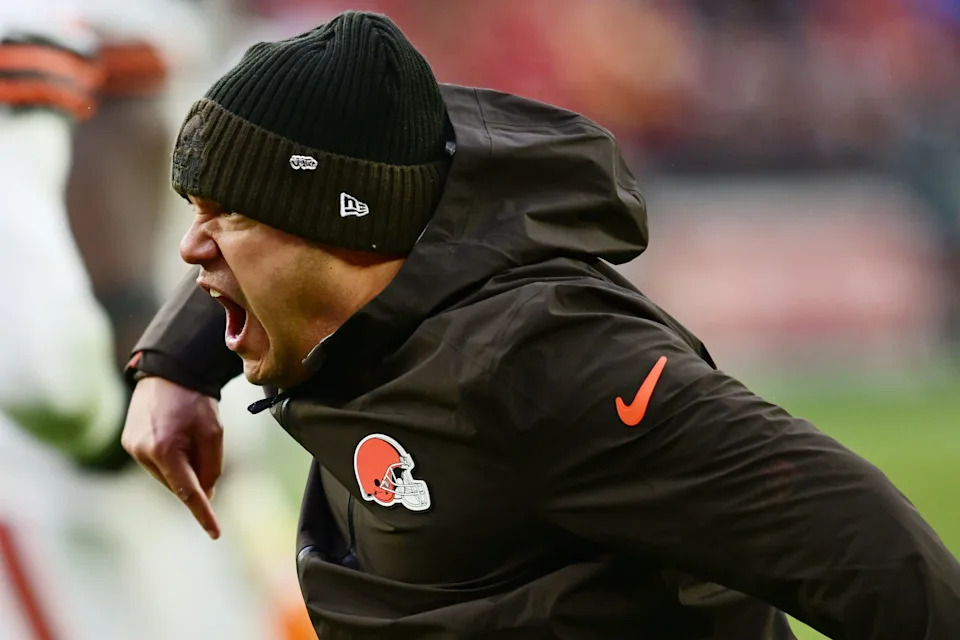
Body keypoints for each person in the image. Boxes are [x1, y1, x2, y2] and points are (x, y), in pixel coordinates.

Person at [121, 10, 960, 640]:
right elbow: (300, 190)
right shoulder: (368, 255)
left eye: (223, 216)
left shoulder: (547, 361)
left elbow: (870, 548)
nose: (191, 247)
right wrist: (177, 363)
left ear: (341, 224)